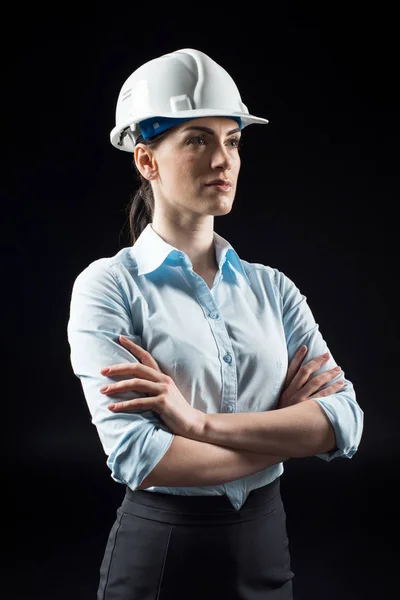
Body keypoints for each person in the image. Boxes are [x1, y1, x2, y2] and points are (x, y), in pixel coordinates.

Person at [67, 48, 364, 600]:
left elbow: (345, 419)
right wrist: (292, 436)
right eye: (198, 139)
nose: (223, 160)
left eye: (232, 141)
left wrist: (197, 425)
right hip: (160, 551)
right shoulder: (109, 287)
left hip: (265, 544)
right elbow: (141, 456)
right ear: (146, 160)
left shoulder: (271, 289)